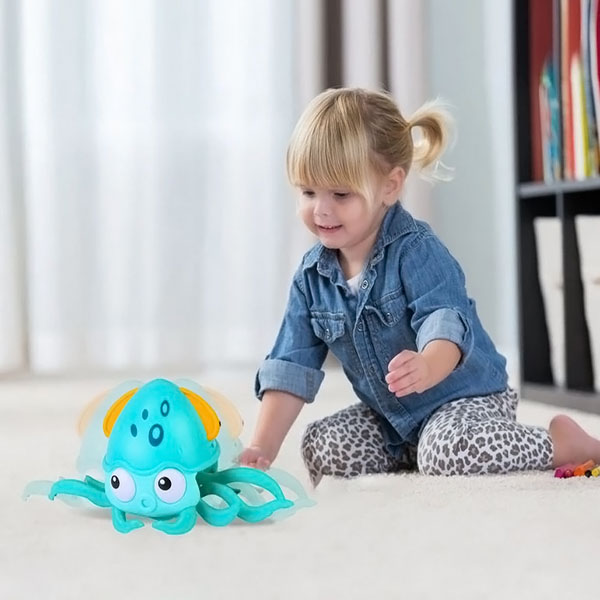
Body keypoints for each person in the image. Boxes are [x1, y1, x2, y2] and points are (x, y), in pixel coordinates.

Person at [238, 87, 600, 486]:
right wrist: (261, 448)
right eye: (308, 192)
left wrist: (428, 363)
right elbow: (290, 366)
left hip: (465, 400)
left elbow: (444, 319)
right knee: (323, 444)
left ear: (390, 186)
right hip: (393, 417)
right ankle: (419, 450)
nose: (320, 209)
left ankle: (560, 444)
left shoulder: (416, 249)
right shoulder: (311, 278)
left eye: (340, 194)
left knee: (449, 450)